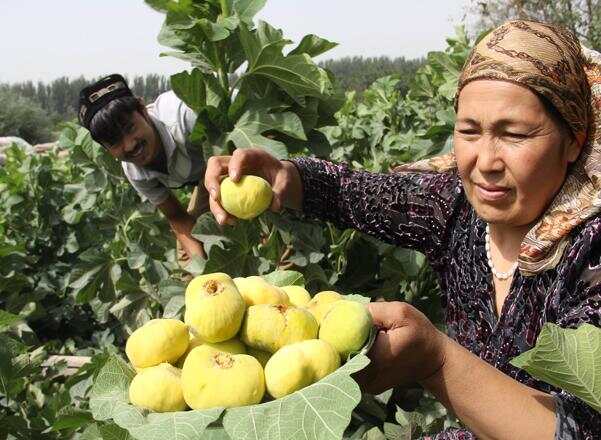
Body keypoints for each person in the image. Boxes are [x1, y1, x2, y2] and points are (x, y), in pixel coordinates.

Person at [204, 20, 601, 439]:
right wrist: (284, 175)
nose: (485, 162)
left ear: (573, 139)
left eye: (514, 134)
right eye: (469, 131)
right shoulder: (455, 207)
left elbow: (582, 431)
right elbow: (354, 194)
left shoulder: (590, 251)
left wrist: (435, 361)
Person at [78, 74, 207, 262]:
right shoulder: (134, 172)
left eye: (130, 128)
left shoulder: (185, 114)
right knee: (188, 260)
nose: (129, 145)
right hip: (207, 178)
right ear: (106, 149)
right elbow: (176, 216)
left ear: (143, 110)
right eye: (114, 142)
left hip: (238, 162)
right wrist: (202, 268)